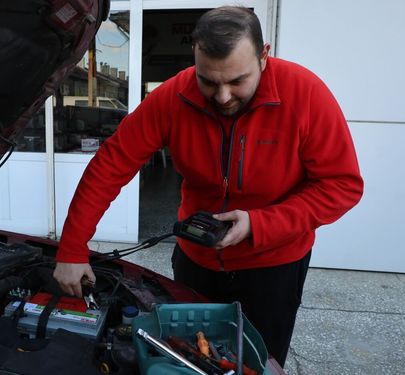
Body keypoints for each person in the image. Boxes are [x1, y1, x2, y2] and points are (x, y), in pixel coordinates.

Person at [53, 5, 363, 366]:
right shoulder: (173, 97)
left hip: (274, 265)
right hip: (196, 259)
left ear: (264, 56)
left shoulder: (306, 94)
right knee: (190, 359)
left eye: (237, 81)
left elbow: (342, 185)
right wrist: (72, 249)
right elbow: (110, 166)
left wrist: (260, 225)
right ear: (195, 59)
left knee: (258, 363)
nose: (222, 97)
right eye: (209, 81)